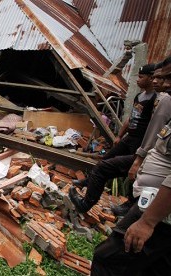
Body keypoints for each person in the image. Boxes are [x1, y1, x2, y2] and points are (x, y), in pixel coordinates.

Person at [90, 62, 171, 275]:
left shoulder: (163, 103)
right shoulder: (154, 100)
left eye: (166, 78)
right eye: (161, 78)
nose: (160, 82)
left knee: (107, 259)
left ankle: (85, 203)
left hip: (159, 211)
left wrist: (147, 221)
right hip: (152, 203)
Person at [69, 63, 157, 213]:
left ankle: (121, 203)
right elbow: (130, 118)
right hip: (130, 137)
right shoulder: (139, 96)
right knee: (105, 160)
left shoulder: (156, 99)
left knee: (130, 172)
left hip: (141, 141)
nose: (137, 80)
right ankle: (88, 182)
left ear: (151, 78)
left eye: (141, 77)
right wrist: (120, 135)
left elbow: (155, 126)